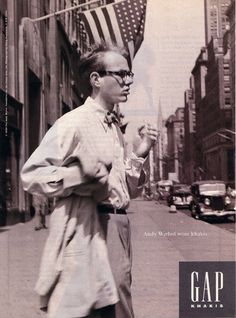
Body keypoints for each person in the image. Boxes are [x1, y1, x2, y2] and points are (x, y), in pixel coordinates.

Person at [21, 42, 157, 318]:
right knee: (114, 309)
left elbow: (126, 188)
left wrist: (141, 153)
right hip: (94, 224)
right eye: (120, 74)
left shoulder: (112, 126)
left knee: (111, 304)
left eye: (129, 75)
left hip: (119, 225)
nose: (128, 81)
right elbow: (31, 174)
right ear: (96, 79)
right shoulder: (74, 123)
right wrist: (77, 176)